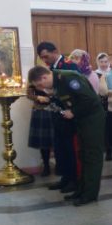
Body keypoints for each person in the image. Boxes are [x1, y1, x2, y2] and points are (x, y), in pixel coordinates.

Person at [28, 66, 105, 206]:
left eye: (40, 85)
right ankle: (81, 190)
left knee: (92, 156)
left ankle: (90, 194)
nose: (41, 88)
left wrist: (73, 112)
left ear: (44, 77)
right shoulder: (58, 82)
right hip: (82, 120)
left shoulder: (68, 79)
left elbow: (90, 100)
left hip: (92, 119)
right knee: (83, 155)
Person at [37, 41, 79, 192]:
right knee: (60, 149)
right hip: (58, 114)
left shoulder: (69, 66)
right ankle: (65, 178)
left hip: (69, 114)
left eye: (46, 56)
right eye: (42, 58)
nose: (45, 60)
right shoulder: (51, 69)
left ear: (55, 51)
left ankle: (74, 179)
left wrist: (73, 110)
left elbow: (77, 90)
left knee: (69, 149)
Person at [26, 75, 54, 177]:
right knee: (43, 142)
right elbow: (29, 94)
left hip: (54, 110)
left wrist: (50, 97)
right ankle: (46, 166)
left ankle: (60, 165)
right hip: (40, 111)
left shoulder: (52, 75)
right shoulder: (33, 77)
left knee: (58, 140)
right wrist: (37, 97)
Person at [94, 53, 112, 161]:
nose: (103, 64)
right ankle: (108, 150)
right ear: (98, 62)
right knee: (105, 128)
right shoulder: (95, 74)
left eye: (106, 61)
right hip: (102, 103)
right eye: (101, 62)